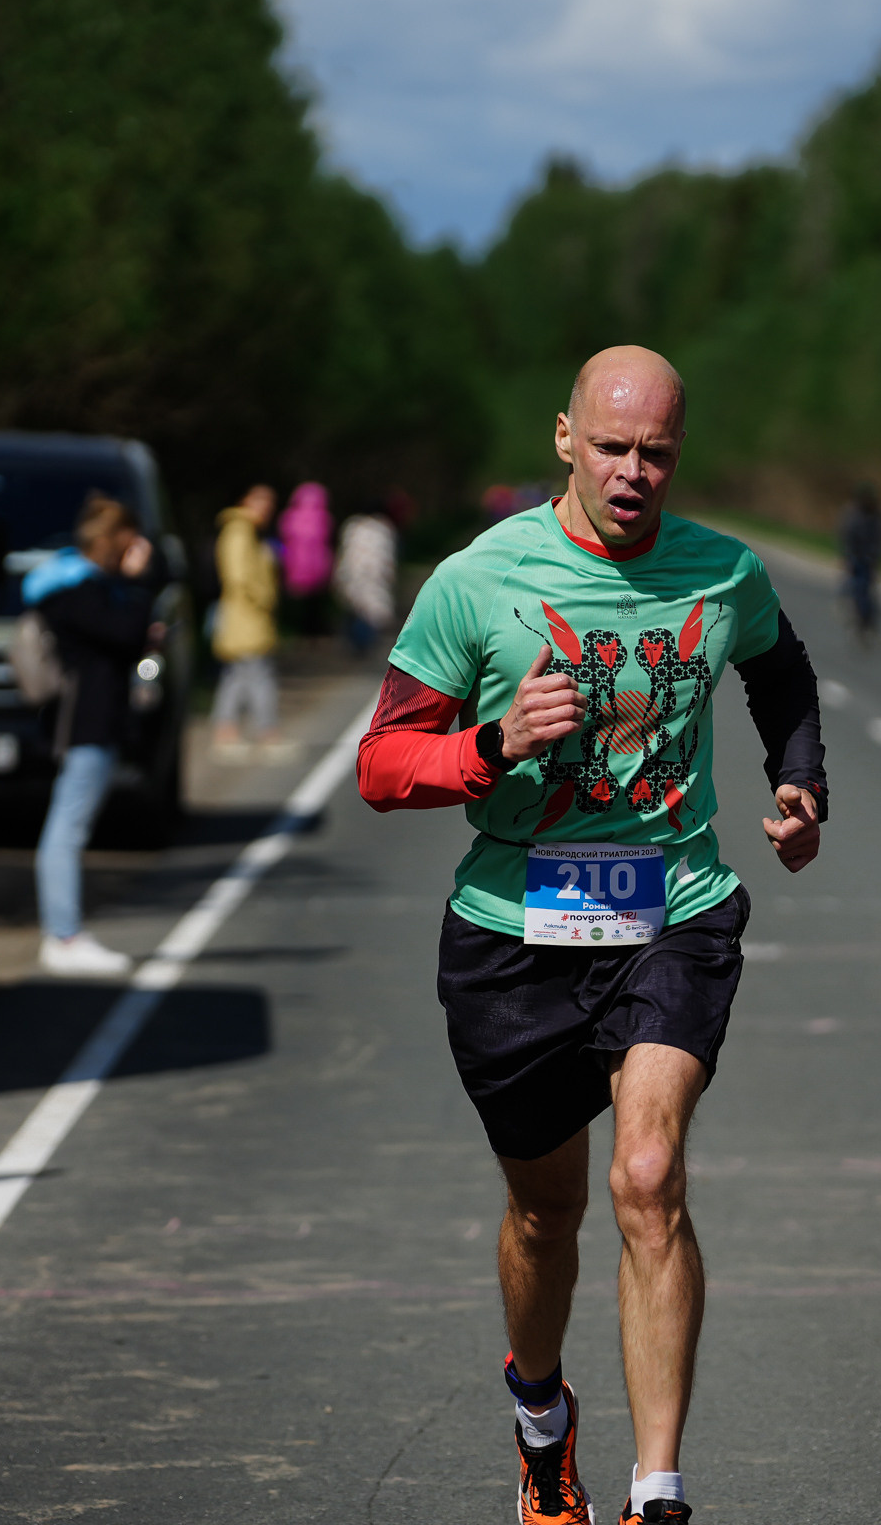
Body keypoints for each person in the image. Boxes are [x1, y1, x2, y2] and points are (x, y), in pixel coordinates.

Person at [355, 345, 827, 1525]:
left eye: (655, 453)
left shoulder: (723, 574)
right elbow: (379, 763)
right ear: (563, 439)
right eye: (611, 448)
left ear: (678, 455)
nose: (632, 473)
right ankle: (540, 1416)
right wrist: (493, 743)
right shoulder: (478, 579)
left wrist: (801, 779)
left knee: (649, 1177)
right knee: (543, 1215)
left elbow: (783, 674)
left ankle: (657, 1490)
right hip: (513, 935)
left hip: (672, 911)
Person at [25, 495, 156, 978]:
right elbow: (125, 635)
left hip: (92, 720)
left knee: (69, 826)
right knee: (66, 829)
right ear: (113, 541)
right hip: (85, 722)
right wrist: (138, 584)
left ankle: (64, 932)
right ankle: (63, 935)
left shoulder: (78, 586)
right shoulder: (76, 590)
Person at [211, 483, 283, 758]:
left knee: (238, 675)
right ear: (245, 501)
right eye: (260, 501)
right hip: (246, 616)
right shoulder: (240, 531)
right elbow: (238, 575)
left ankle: (226, 731)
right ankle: (267, 732)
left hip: (244, 616)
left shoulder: (246, 531)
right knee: (257, 673)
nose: (266, 508)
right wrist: (264, 596)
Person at [336, 503, 400, 655]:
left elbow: (344, 553)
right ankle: (363, 645)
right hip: (374, 578)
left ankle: (354, 644)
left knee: (354, 610)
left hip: (352, 576)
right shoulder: (384, 530)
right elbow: (386, 558)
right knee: (370, 613)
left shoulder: (352, 527)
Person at [280, 481, 336, 637]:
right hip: (318, 566)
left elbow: (285, 541)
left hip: (295, 565)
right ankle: (314, 632)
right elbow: (328, 542)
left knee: (300, 603)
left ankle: (299, 631)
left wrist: (286, 557)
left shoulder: (289, 516)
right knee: (316, 603)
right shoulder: (324, 517)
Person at [834, 483, 881, 642]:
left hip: (870, 559)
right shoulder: (852, 515)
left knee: (868, 591)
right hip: (855, 558)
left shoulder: (877, 516)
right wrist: (847, 557)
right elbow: (846, 537)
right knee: (856, 589)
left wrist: (876, 556)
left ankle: (867, 620)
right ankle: (860, 619)